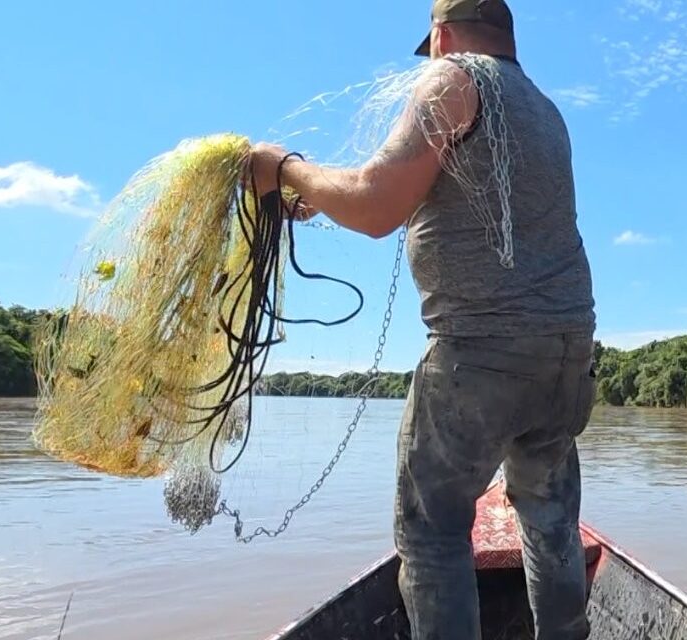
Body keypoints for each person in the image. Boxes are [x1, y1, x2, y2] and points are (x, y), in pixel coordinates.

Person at [246, 1, 597, 638]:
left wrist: (283, 168)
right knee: (549, 522)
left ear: (441, 34)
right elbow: (440, 201)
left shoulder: (453, 77)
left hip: (480, 352)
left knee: (432, 531)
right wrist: (317, 202)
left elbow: (379, 205)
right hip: (568, 352)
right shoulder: (545, 110)